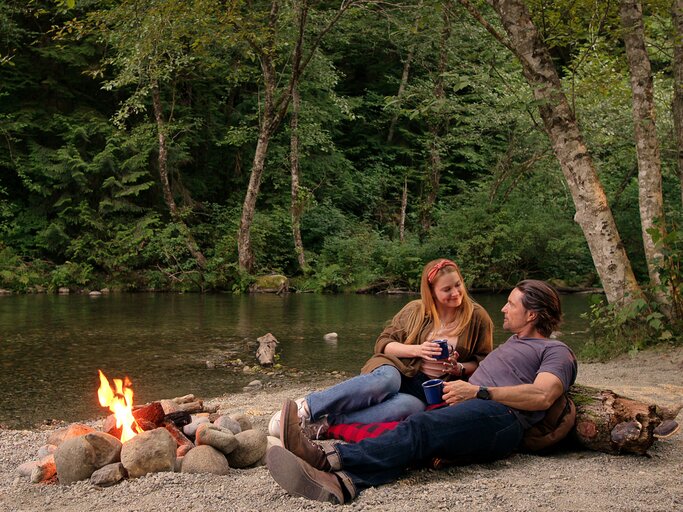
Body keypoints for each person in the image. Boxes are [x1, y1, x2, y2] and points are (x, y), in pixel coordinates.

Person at [266, 279, 578, 504]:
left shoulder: (555, 350)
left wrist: (480, 392)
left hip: (502, 418)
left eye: (511, 303)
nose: (504, 308)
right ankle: (343, 483)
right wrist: (457, 375)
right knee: (414, 440)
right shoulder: (513, 344)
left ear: (533, 314)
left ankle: (326, 459)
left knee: (420, 427)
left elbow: (542, 396)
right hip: (470, 410)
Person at [268, 258, 493, 438]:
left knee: (410, 408)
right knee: (387, 381)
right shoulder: (415, 310)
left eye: (458, 285)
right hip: (397, 368)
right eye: (447, 290)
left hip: (428, 389)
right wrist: (418, 350)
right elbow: (384, 345)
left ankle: (323, 424)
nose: (456, 293)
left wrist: (459, 368)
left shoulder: (477, 317)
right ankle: (306, 407)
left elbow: (484, 362)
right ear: (432, 292)